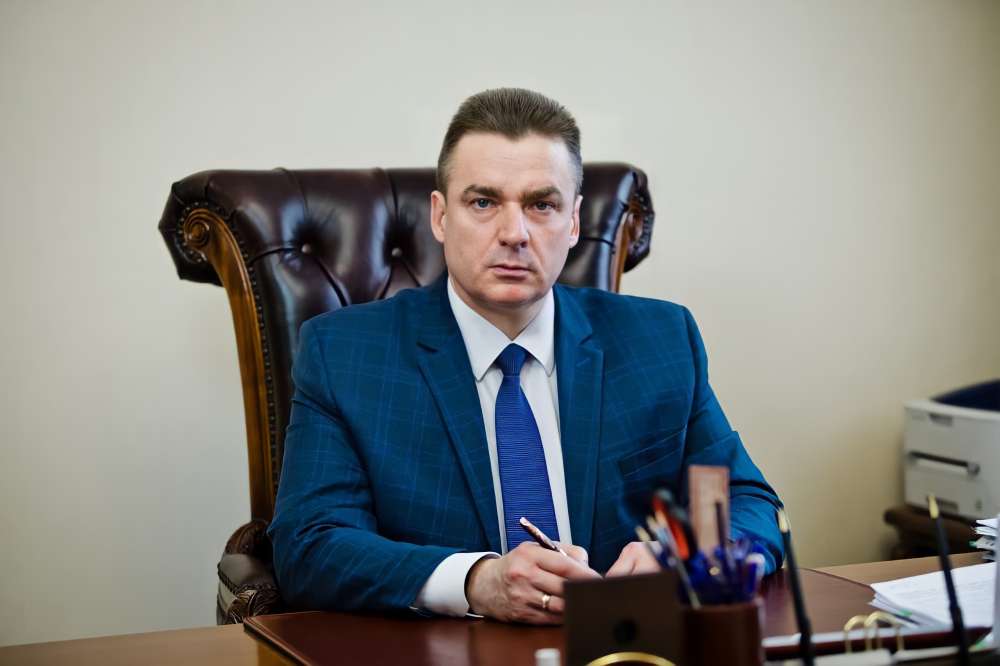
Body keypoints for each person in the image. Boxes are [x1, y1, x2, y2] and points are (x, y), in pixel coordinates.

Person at [269, 88, 783, 625]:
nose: (514, 234)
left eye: (542, 205)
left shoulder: (660, 340)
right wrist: (474, 581)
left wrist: (685, 558)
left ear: (574, 221)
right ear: (440, 216)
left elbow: (749, 502)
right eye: (483, 202)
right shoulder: (344, 354)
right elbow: (310, 544)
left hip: (624, 646)